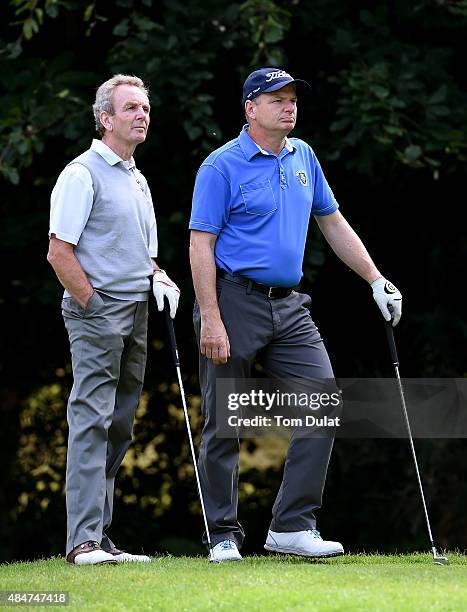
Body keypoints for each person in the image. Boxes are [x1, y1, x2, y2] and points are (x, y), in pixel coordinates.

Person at [189, 67, 402, 562]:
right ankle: (221, 534)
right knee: (223, 421)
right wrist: (211, 317)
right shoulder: (221, 167)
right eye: (276, 99)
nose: (289, 107)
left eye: (292, 99)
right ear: (250, 108)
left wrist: (375, 279)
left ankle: (291, 526)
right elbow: (201, 244)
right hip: (232, 298)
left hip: (289, 306)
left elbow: (332, 221)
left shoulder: (303, 156)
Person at [47, 74, 180, 565]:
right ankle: (81, 542)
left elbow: (141, 254)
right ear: (106, 119)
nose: (141, 115)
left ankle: (100, 538)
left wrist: (159, 276)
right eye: (130, 108)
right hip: (97, 312)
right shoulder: (82, 173)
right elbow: (59, 253)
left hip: (138, 312)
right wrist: (93, 304)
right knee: (92, 420)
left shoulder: (136, 176)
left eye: (145, 107)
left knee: (120, 425)